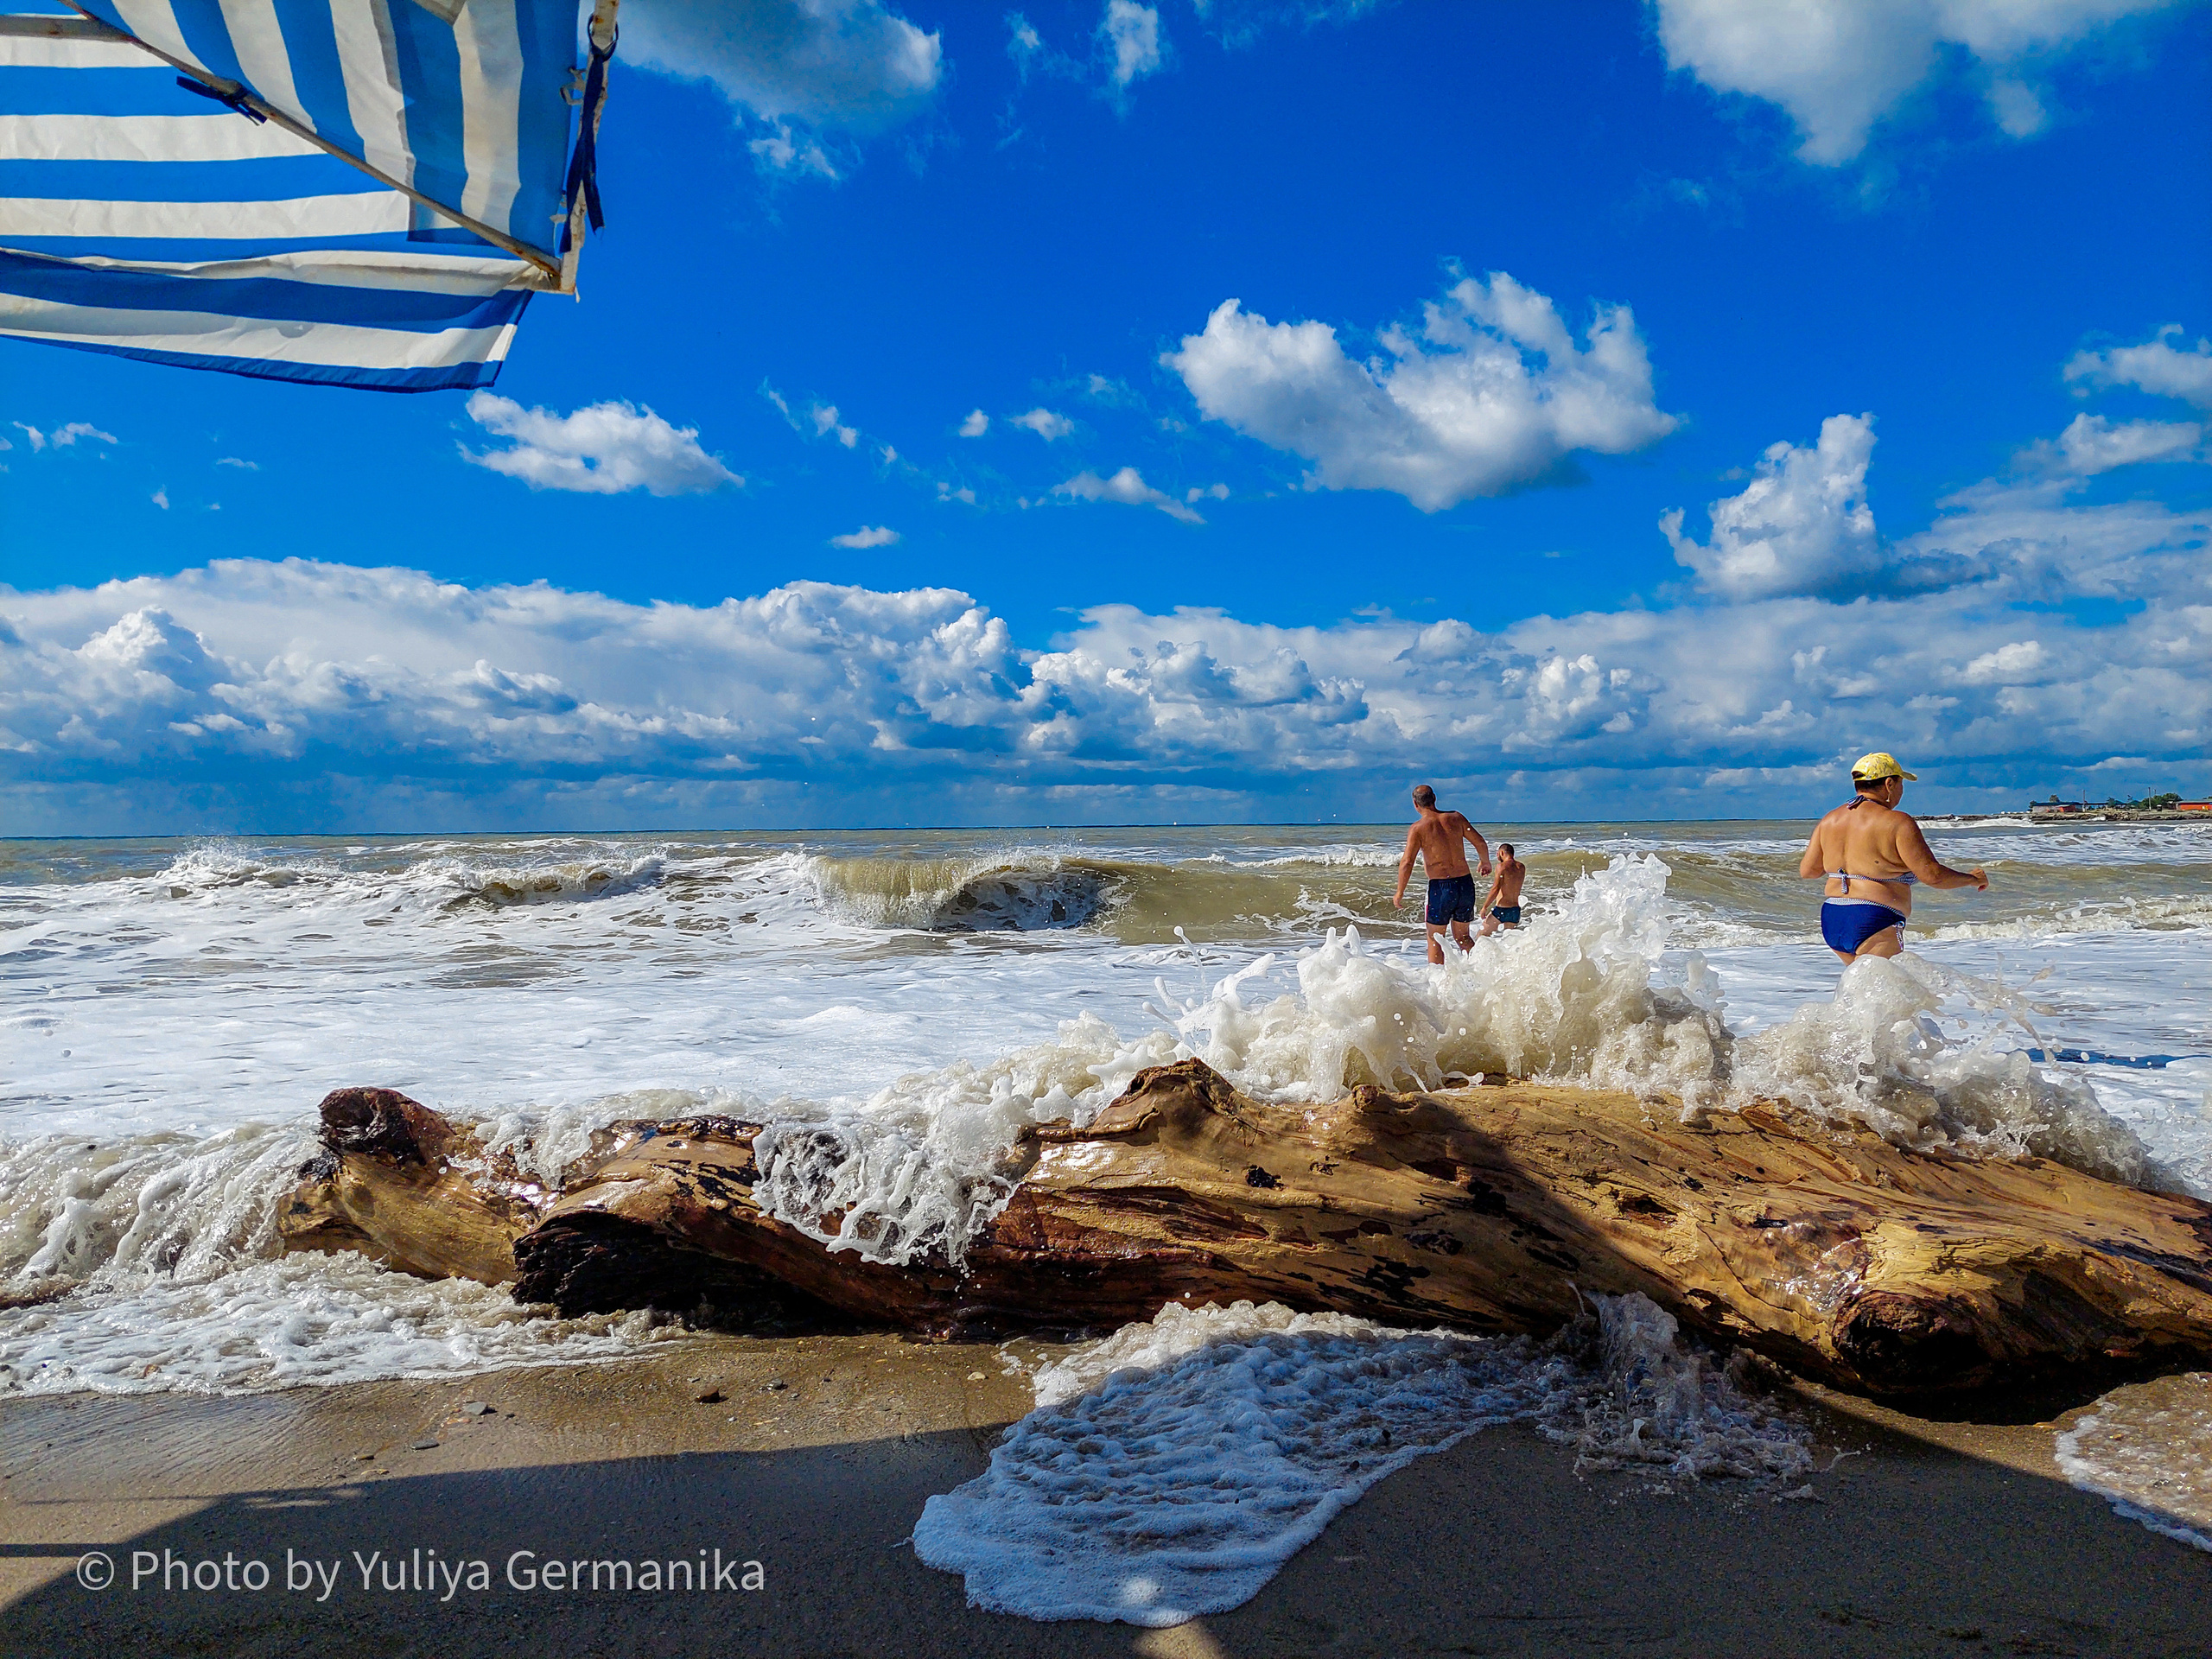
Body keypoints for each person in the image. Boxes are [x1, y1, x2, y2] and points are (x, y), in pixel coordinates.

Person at [1799, 752, 1987, 963]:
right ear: (1889, 784)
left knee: (1862, 991)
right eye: (1901, 784)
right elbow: (1933, 876)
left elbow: (1809, 871)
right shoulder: (1897, 822)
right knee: (1885, 992)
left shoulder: (1830, 819)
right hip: (1874, 918)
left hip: (1834, 917)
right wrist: (1972, 879)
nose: (1901, 791)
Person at [1392, 785, 1491, 963]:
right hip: (1465, 884)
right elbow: (1480, 843)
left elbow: (1407, 862)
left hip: (1441, 888)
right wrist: (1485, 862)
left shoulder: (1418, 828)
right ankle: (1484, 968)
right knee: (1462, 937)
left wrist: (1400, 892)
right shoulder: (1456, 818)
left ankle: (1436, 983)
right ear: (1435, 798)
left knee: (1435, 938)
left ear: (1415, 804)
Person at [1478, 843, 1526, 936]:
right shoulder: (1521, 867)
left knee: (1480, 938)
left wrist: (1485, 907)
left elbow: (1495, 888)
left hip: (1501, 910)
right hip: (1515, 911)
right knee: (1509, 942)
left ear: (1502, 852)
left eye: (1498, 853)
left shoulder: (1501, 866)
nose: (1497, 856)